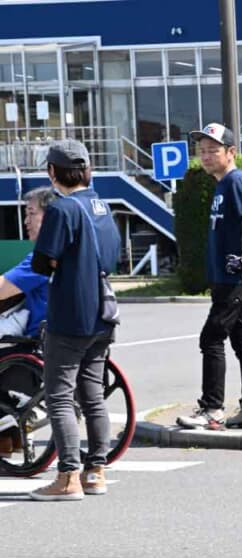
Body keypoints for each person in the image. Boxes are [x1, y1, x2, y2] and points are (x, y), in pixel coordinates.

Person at [27, 140, 121, 501]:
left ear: (52, 172)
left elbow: (42, 262)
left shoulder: (61, 209)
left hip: (70, 313)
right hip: (103, 312)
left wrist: (60, 261)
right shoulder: (102, 206)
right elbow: (113, 257)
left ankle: (67, 477)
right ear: (86, 170)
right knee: (93, 395)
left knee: (60, 396)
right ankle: (95, 472)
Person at [176, 122, 242, 431]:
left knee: (212, 337)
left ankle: (212, 409)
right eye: (201, 151)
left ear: (231, 152)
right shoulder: (222, 184)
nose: (205, 156)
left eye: (212, 151)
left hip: (237, 279)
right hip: (232, 278)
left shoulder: (236, 181)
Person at [0, 186, 54, 339]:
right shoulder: (72, 250)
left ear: (52, 218)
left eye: (31, 213)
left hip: (38, 340)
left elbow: (2, 289)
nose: (26, 221)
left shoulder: (43, 257)